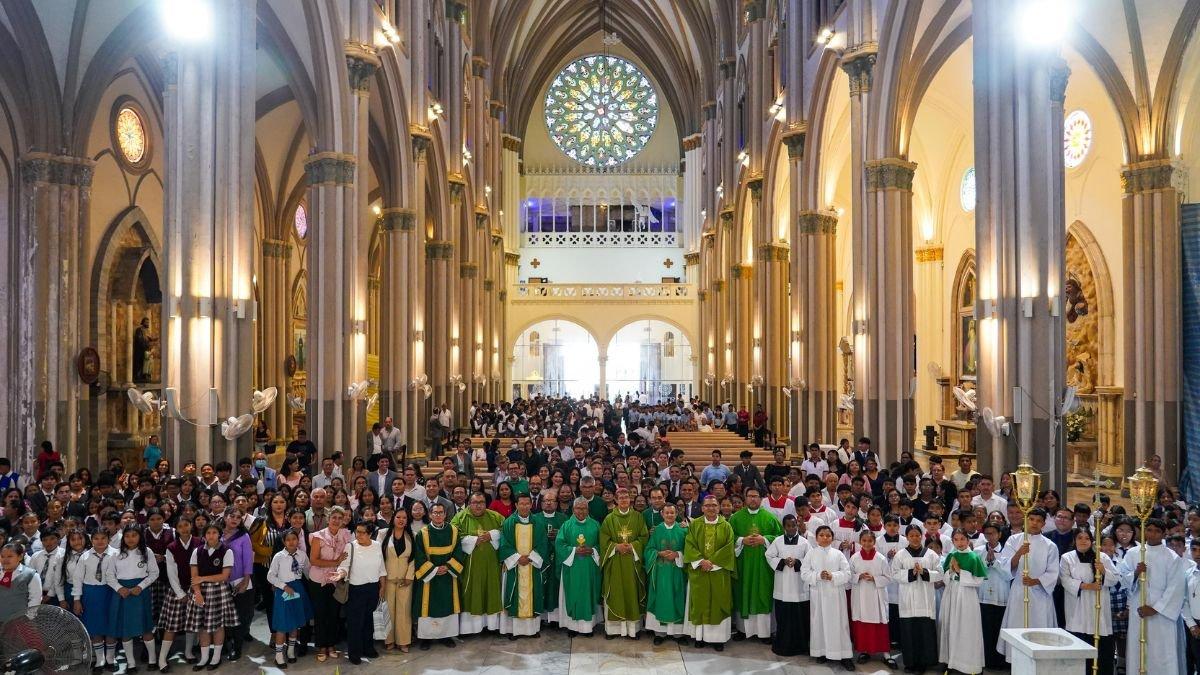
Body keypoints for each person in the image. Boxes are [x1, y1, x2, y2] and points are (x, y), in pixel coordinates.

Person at [1119, 517, 1186, 675]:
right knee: (1138, 651)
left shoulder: (1172, 558)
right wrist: (1135, 573)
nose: (1152, 534)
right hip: (1139, 609)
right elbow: (1122, 578)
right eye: (1149, 530)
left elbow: (1175, 588)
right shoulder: (1133, 553)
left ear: (1163, 534)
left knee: (1161, 653)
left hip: (1162, 616)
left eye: (1157, 531)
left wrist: (1155, 608)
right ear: (1144, 531)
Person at [997, 507, 1060, 662]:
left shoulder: (1050, 545)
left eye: (1039, 521)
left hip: (1040, 593)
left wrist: (1036, 581)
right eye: (1031, 519)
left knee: (1038, 628)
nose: (1034, 523)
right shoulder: (1014, 540)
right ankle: (1018, 662)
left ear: (1044, 524)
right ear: (1026, 521)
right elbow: (1005, 566)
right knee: (1018, 626)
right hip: (1019, 590)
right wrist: (1019, 553)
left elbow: (1053, 572)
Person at [1061, 528, 1118, 675]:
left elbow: (1116, 578)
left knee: (1100, 649)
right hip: (1077, 607)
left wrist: (1103, 571)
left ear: (1092, 541)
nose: (1083, 541)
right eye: (1080, 538)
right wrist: (1087, 586)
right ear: (1075, 540)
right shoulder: (1067, 558)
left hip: (1098, 607)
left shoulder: (1102, 557)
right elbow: (1065, 580)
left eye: (1087, 538)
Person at [683, 495, 736, 651]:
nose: (711, 508)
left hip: (718, 572)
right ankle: (699, 637)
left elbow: (729, 547)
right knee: (700, 603)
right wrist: (701, 561)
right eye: (707, 505)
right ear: (702, 508)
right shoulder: (695, 525)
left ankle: (718, 639)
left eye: (714, 505)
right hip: (700, 571)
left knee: (718, 603)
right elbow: (689, 544)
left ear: (718, 508)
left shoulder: (725, 526)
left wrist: (712, 562)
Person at [728, 487, 781, 641]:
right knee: (743, 592)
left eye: (756, 496)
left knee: (762, 594)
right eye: (750, 496)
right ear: (745, 498)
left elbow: (779, 537)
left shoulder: (770, 517)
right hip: (743, 563)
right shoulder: (735, 518)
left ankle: (764, 632)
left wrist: (764, 539)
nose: (753, 499)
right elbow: (728, 537)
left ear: (761, 498)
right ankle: (742, 630)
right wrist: (741, 540)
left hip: (763, 566)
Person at [412, 502, 466, 649]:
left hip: (448, 576)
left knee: (447, 605)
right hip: (429, 578)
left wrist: (447, 567)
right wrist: (434, 570)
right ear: (430, 514)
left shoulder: (454, 531)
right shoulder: (422, 534)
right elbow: (419, 556)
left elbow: (458, 553)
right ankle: (426, 638)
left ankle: (446, 636)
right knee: (427, 606)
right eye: (435, 513)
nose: (438, 515)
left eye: (441, 512)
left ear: (445, 514)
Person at [105, 526, 159, 672]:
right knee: (126, 630)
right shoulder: (115, 554)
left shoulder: (147, 552)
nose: (130, 539)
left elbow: (154, 573)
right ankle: (131, 663)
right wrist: (119, 588)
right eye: (127, 536)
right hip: (122, 594)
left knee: (146, 628)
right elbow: (109, 575)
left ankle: (153, 660)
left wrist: (141, 586)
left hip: (140, 593)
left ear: (140, 536)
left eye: (134, 535)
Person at [186, 524, 239, 671]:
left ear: (219, 534)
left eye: (214, 532)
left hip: (218, 591)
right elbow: (193, 577)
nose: (211, 535)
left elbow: (224, 576)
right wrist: (197, 593)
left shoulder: (226, 551)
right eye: (208, 532)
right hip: (200, 592)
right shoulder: (197, 551)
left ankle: (216, 657)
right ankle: (204, 658)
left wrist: (202, 579)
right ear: (204, 535)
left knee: (218, 625)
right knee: (203, 626)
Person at [450, 493, 504, 635]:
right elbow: (452, 535)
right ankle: (471, 629)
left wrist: (492, 535)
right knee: (472, 592)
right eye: (475, 502)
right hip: (470, 566)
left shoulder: (495, 516)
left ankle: (492, 626)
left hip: (492, 564)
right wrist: (474, 540)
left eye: (481, 502)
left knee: (491, 590)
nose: (478, 505)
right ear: (469, 504)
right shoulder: (460, 517)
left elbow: (507, 530)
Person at [802, 525, 854, 670]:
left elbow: (847, 573)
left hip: (835, 594)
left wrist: (833, 576)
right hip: (818, 593)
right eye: (822, 535)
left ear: (832, 537)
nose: (825, 538)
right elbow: (804, 573)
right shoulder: (811, 554)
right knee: (819, 622)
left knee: (839, 623)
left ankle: (844, 655)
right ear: (816, 538)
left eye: (828, 535)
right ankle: (821, 652)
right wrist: (818, 576)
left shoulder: (838, 554)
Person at [598, 487, 648, 638]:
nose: (624, 500)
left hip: (632, 562)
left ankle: (633, 630)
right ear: (615, 500)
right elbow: (603, 540)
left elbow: (644, 536)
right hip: (615, 563)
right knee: (615, 592)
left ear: (630, 499)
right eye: (621, 498)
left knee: (632, 593)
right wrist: (616, 546)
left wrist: (633, 546)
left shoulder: (638, 517)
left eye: (626, 497)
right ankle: (613, 630)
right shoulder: (609, 519)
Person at [498, 493, 549, 639]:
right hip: (515, 566)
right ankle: (515, 630)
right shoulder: (509, 522)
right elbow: (504, 544)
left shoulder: (538, 522)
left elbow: (543, 543)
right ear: (516, 505)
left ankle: (532, 630)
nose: (525, 506)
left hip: (532, 566)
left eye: (527, 504)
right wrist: (518, 558)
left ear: (531, 505)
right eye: (522, 504)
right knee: (514, 596)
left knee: (534, 594)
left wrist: (531, 558)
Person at [892, 524, 941, 674]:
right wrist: (912, 573)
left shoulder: (931, 554)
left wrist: (924, 572)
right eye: (911, 535)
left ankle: (924, 662)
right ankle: (910, 662)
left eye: (917, 535)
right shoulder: (900, 554)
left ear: (922, 536)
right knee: (908, 631)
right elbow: (894, 574)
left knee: (924, 631)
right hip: (907, 599)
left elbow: (939, 573)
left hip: (925, 599)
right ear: (907, 537)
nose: (914, 538)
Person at [336, 521, 387, 665]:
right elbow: (344, 566)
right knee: (355, 623)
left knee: (369, 621)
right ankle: (354, 653)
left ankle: (368, 648)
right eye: (357, 531)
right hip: (356, 589)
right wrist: (339, 574)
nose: (358, 535)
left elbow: (381, 567)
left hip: (373, 589)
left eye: (362, 532)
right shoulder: (350, 546)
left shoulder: (377, 545)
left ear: (370, 534)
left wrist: (382, 586)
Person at [939, 529, 987, 675]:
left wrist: (960, 571)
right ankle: (950, 661)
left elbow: (978, 581)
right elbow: (945, 577)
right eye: (956, 539)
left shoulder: (973, 557)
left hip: (966, 596)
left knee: (966, 627)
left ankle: (968, 664)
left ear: (968, 540)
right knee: (950, 625)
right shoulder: (952, 555)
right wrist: (951, 572)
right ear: (952, 541)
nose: (959, 543)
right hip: (951, 593)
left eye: (962, 539)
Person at [307, 506, 350, 662]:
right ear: (328, 518)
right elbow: (313, 560)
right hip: (318, 580)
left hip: (336, 580)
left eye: (340, 518)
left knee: (333, 613)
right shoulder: (318, 536)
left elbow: (348, 556)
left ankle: (331, 645)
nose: (336, 521)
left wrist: (341, 568)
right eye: (334, 518)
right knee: (320, 614)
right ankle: (321, 646)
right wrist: (335, 562)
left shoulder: (346, 535)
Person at [159, 517, 202, 672]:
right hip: (176, 590)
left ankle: (189, 652)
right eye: (180, 526)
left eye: (187, 525)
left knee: (191, 624)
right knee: (171, 626)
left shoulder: (199, 542)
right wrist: (180, 593)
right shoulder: (171, 547)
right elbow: (171, 573)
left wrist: (195, 589)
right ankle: (162, 659)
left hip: (195, 589)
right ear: (176, 529)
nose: (184, 528)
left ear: (191, 526)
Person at [555, 497, 602, 636]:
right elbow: (559, 544)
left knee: (588, 593)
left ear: (588, 510)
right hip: (573, 567)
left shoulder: (595, 525)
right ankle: (572, 627)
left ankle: (588, 627)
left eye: (584, 508)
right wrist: (574, 550)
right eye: (578, 508)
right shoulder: (566, 525)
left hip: (589, 567)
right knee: (573, 594)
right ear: (573, 509)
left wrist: (593, 550)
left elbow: (602, 544)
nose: (581, 511)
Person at [266, 529, 312, 668]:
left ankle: (291, 650)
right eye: (288, 539)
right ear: (283, 542)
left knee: (295, 622)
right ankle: (279, 655)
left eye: (294, 539)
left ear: (298, 540)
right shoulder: (278, 556)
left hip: (298, 589)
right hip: (284, 590)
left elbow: (309, 572)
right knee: (283, 624)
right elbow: (270, 576)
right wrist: (283, 586)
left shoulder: (302, 555)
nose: (292, 542)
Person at [765, 514, 810, 656]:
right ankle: (782, 644)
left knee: (799, 617)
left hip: (798, 586)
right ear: (784, 527)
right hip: (782, 585)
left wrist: (797, 562)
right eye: (788, 526)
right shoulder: (778, 541)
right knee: (783, 616)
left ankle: (800, 645)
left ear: (797, 525)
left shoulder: (804, 542)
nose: (791, 528)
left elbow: (810, 560)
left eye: (794, 525)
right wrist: (783, 561)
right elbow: (769, 555)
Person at [644, 503, 687, 644]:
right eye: (667, 513)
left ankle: (678, 634)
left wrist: (677, 554)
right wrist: (658, 553)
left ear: (676, 514)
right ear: (662, 514)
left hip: (677, 572)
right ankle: (659, 633)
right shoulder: (656, 531)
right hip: (660, 572)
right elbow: (648, 550)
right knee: (661, 599)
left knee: (677, 599)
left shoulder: (683, 531)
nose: (669, 515)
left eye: (672, 513)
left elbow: (689, 551)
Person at [75, 530, 116, 671]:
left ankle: (111, 658)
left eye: (103, 538)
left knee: (111, 627)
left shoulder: (116, 554)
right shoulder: (85, 556)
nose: (100, 541)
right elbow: (78, 579)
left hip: (110, 592)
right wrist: (77, 599)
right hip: (91, 594)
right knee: (95, 627)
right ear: (91, 540)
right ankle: (100, 659)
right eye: (96, 538)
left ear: (109, 539)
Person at [848, 530, 891, 665]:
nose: (867, 543)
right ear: (860, 542)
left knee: (880, 622)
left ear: (874, 542)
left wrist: (874, 578)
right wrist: (858, 576)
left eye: (870, 541)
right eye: (864, 541)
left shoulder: (881, 558)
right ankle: (864, 651)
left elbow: (888, 578)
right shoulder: (854, 557)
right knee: (862, 622)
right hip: (860, 595)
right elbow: (849, 575)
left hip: (876, 596)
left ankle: (886, 653)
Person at [377, 509, 415, 652]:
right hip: (387, 579)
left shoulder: (412, 535)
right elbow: (379, 558)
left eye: (404, 518)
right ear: (393, 518)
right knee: (388, 611)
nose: (401, 520)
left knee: (404, 612)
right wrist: (381, 579)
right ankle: (389, 640)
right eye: (398, 517)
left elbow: (413, 559)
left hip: (405, 580)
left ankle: (403, 641)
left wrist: (409, 576)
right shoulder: (383, 534)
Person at [976, 522, 1011, 670]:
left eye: (993, 533)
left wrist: (995, 562)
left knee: (999, 629)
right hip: (983, 595)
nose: (990, 536)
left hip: (1002, 595)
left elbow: (1009, 574)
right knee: (985, 629)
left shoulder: (1008, 550)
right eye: (987, 533)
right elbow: (976, 573)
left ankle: (1000, 661)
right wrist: (986, 562)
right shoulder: (978, 551)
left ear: (1000, 534)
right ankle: (987, 660)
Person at [531, 492, 568, 627]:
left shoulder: (564, 519)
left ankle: (556, 619)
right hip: (539, 559)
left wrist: (559, 535)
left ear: (557, 504)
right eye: (546, 501)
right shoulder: (534, 518)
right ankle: (540, 617)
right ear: (541, 504)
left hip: (558, 559)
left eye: (552, 501)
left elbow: (569, 537)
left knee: (556, 586)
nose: (548, 503)